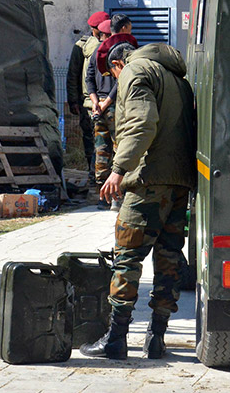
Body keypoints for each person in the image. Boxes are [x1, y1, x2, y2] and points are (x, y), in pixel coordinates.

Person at [79, 39, 195, 360]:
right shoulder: (177, 80)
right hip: (179, 182)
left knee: (127, 255)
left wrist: (118, 169)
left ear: (117, 65)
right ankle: (156, 338)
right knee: (169, 257)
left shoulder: (134, 71)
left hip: (148, 181)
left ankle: (116, 340)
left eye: (112, 76)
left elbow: (142, 123)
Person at [67, 12, 109, 182]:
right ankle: (95, 177)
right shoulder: (82, 46)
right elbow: (73, 75)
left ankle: (100, 177)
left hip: (102, 101)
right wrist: (73, 101)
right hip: (89, 103)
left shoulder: (112, 44)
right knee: (92, 140)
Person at [85, 18, 120, 209]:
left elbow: (88, 79)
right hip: (113, 107)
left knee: (100, 150)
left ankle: (102, 196)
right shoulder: (116, 53)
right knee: (117, 148)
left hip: (98, 108)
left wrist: (95, 102)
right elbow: (120, 82)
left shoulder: (94, 53)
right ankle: (115, 196)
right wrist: (106, 103)